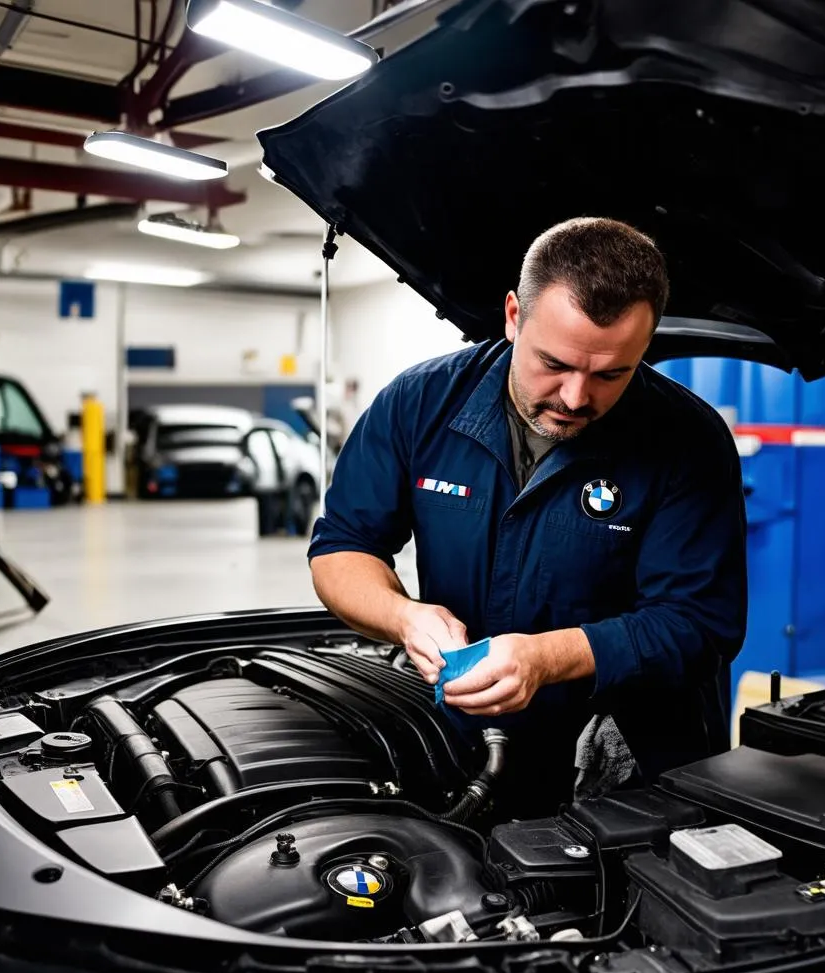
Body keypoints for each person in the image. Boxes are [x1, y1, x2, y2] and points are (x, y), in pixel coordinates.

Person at [308, 217, 747, 817]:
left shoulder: (688, 441)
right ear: (514, 315)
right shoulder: (420, 404)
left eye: (610, 373)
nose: (574, 398)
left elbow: (699, 624)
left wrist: (547, 658)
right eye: (555, 363)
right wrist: (404, 617)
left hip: (626, 768)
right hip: (460, 744)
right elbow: (342, 547)